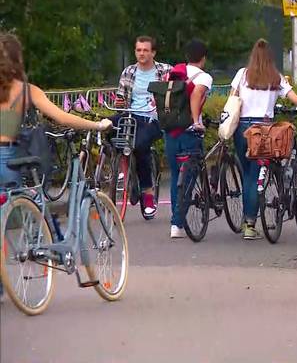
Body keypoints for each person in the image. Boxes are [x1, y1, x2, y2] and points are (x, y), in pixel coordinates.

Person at [0, 33, 112, 298]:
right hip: (8, 161)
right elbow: (60, 117)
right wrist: (98, 124)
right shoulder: (26, 91)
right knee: (29, 202)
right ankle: (42, 245)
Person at [232, 39, 297, 240]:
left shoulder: (242, 74)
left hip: (242, 129)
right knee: (257, 175)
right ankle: (249, 224)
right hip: (264, 129)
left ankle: (247, 218)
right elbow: (296, 100)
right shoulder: (276, 78)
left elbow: (232, 100)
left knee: (247, 174)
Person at [113, 36, 173, 219]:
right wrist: (120, 102)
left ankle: (147, 193)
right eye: (139, 50)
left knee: (140, 146)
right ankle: (124, 169)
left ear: (153, 53)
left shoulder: (165, 70)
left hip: (153, 118)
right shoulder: (129, 71)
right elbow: (120, 98)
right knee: (106, 126)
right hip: (131, 115)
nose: (142, 54)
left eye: (146, 50)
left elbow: (176, 93)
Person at [165, 39, 213, 239]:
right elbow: (197, 95)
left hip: (170, 129)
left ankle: (176, 220)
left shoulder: (173, 72)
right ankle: (177, 223)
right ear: (203, 58)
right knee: (190, 178)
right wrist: (196, 121)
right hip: (189, 132)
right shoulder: (204, 77)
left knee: (177, 176)